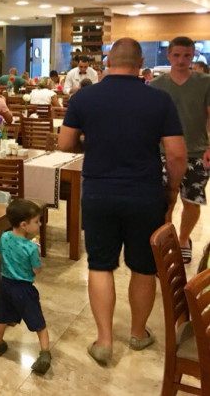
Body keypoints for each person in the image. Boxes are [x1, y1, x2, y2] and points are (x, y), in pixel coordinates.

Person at [58, 38, 187, 365]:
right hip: (144, 194)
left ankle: (104, 340)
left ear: (108, 62)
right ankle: (138, 333)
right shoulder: (159, 99)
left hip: (98, 192)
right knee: (143, 267)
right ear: (140, 63)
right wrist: (171, 190)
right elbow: (176, 154)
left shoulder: (84, 97)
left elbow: (65, 143)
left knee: (100, 265)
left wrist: (93, 143)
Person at [150, 36, 210, 263]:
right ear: (168, 56)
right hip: (162, 151)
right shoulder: (156, 85)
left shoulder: (205, 82)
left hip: (196, 150)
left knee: (192, 200)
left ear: (194, 55)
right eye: (176, 55)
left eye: (186, 55)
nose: (181, 60)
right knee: (165, 200)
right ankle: (166, 240)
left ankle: (184, 239)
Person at [0, 199, 51, 375]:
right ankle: (45, 353)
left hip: (6, 285)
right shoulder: (30, 248)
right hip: (24, 289)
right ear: (24, 225)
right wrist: (36, 252)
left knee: (1, 317)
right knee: (39, 323)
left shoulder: (4, 237)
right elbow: (36, 270)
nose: (40, 225)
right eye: (37, 221)